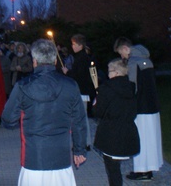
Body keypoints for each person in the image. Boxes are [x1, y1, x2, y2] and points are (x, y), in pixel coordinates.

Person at [2, 39, 88, 186]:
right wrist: (79, 150)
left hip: (34, 155)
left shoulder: (23, 86)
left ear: (34, 61)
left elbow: (9, 119)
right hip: (61, 154)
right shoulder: (70, 85)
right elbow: (79, 120)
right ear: (55, 60)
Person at [114, 37, 163, 181]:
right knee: (151, 138)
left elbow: (132, 87)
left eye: (120, 53)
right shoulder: (147, 60)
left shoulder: (134, 62)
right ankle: (150, 168)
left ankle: (142, 171)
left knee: (141, 138)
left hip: (141, 107)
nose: (122, 57)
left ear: (125, 48)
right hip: (152, 105)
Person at [93, 58, 140, 186]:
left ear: (117, 72)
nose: (108, 74)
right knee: (115, 169)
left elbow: (98, 112)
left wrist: (95, 103)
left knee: (112, 170)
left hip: (111, 133)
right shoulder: (131, 87)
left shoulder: (106, 89)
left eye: (110, 71)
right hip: (128, 130)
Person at [62, 34, 97, 117]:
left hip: (82, 90)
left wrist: (67, 72)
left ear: (80, 46)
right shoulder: (80, 57)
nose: (72, 46)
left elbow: (79, 75)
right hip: (82, 90)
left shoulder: (82, 58)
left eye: (74, 44)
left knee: (81, 115)